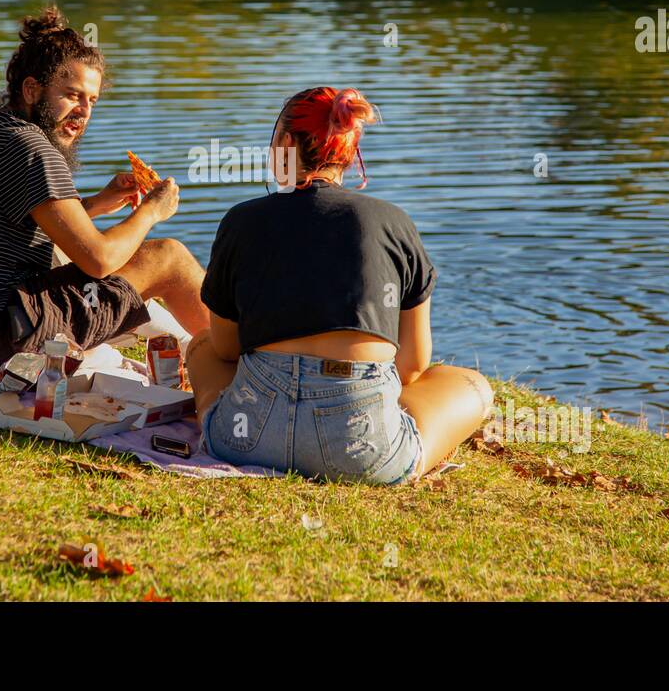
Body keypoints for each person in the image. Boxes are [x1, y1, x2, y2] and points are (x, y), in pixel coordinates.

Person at [186, 87, 493, 484]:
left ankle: (228, 423)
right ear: (350, 151)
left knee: (198, 347)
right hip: (361, 450)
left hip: (247, 438)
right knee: (474, 387)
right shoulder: (393, 222)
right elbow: (414, 365)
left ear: (285, 143)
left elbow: (226, 348)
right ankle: (402, 453)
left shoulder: (241, 220)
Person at [0, 6, 209, 372]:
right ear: (32, 90)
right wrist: (152, 210)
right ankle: (244, 357)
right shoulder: (32, 149)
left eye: (92, 100)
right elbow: (99, 260)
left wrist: (96, 205)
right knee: (168, 257)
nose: (84, 112)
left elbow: (10, 223)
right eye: (72, 95)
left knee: (63, 255)